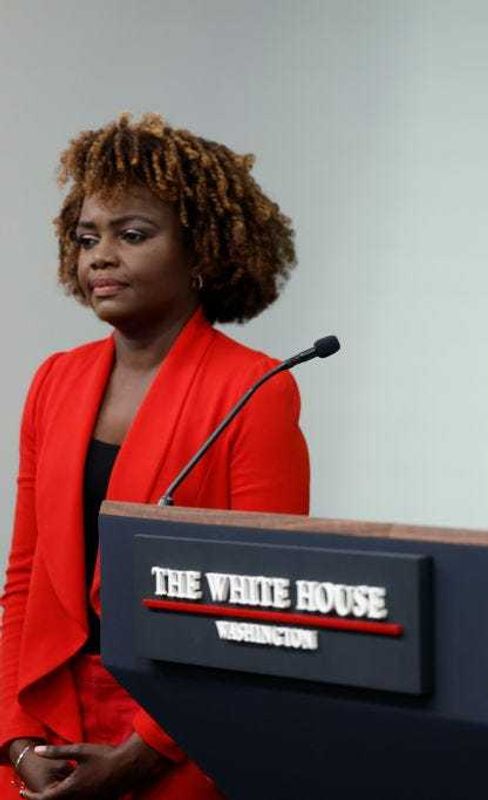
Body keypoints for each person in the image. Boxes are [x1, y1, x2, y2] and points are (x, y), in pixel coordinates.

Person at [0, 113, 310, 799]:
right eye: (87, 239)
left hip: (177, 737)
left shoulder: (254, 389)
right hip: (45, 719)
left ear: (202, 250)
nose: (100, 256)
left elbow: (257, 611)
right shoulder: (54, 379)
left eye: (131, 235)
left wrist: (142, 755)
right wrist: (16, 736)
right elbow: (24, 579)